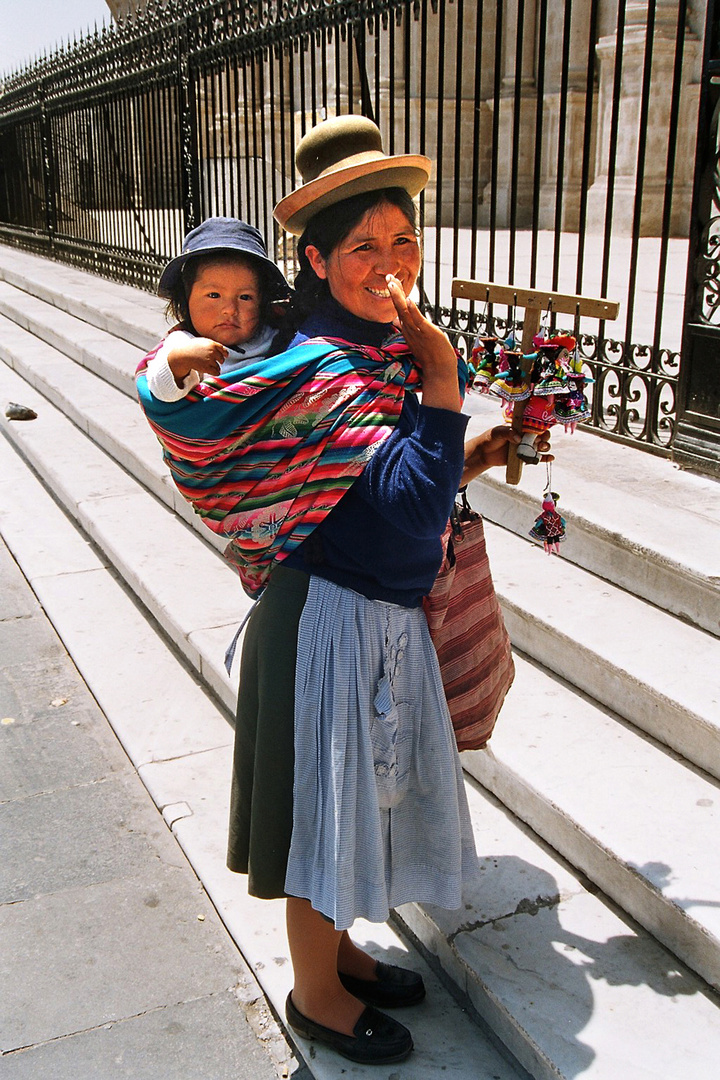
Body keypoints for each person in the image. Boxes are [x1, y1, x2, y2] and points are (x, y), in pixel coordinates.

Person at [226, 116, 542, 1066]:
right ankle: (315, 993)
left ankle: (343, 956)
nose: (389, 261)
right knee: (324, 810)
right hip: (326, 619)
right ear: (317, 261)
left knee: (356, 801)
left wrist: (482, 446)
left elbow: (409, 483)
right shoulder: (323, 369)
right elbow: (405, 511)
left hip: (373, 611)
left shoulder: (373, 345)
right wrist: (446, 381)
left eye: (403, 238)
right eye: (363, 245)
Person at [144, 216, 290, 402]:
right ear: (186, 299)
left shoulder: (278, 338)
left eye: (245, 297)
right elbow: (161, 392)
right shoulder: (182, 343)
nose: (230, 310)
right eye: (214, 295)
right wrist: (180, 361)